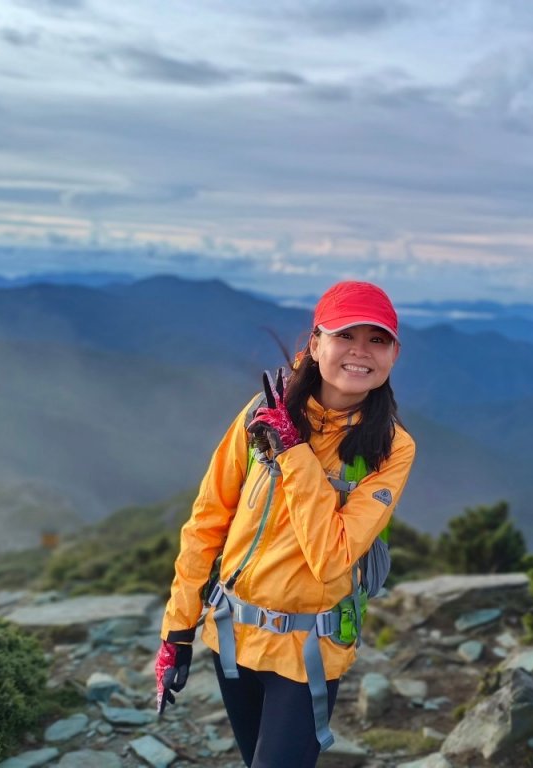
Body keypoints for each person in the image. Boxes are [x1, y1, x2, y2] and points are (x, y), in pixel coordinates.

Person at [156, 280, 416, 767]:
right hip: (232, 634)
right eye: (346, 336)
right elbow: (207, 520)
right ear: (315, 344)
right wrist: (178, 630)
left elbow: (333, 557)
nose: (361, 352)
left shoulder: (391, 448)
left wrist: (294, 453)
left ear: (394, 353)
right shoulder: (261, 413)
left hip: (309, 651)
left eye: (377, 339)